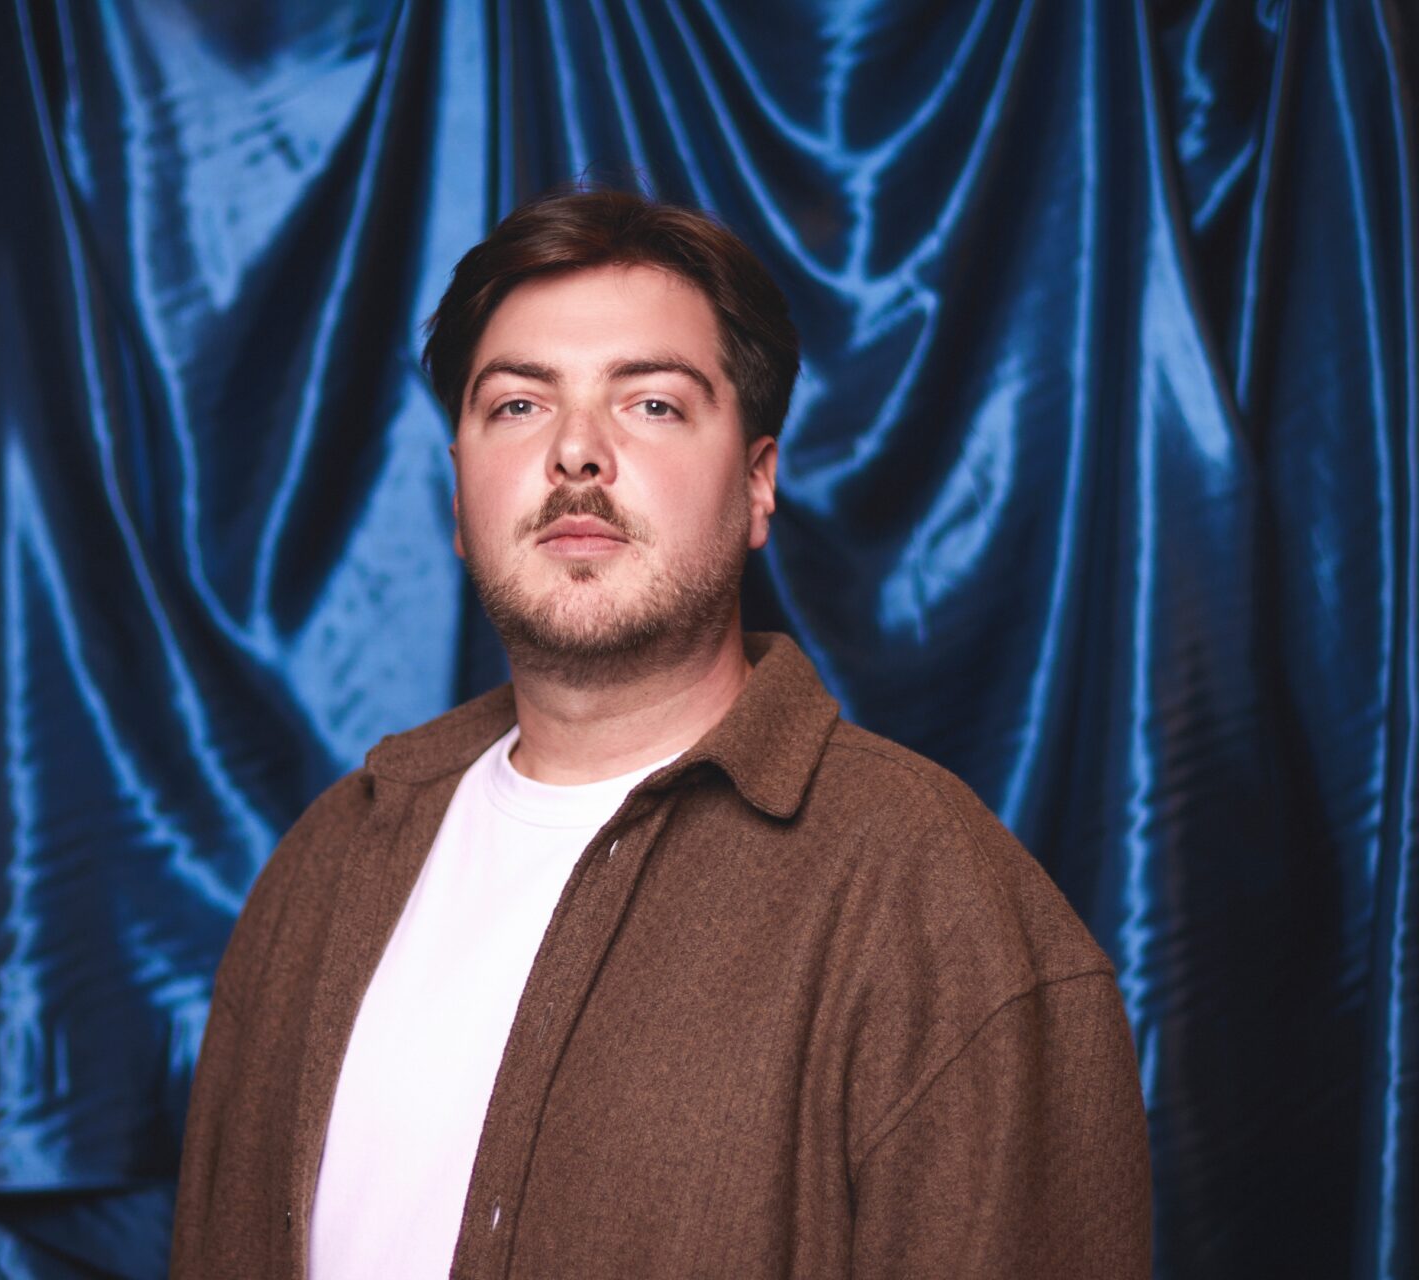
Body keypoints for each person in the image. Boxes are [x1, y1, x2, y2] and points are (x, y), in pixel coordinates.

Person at [170, 190, 1152, 1279]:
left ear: (758, 483)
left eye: (651, 404)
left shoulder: (935, 903)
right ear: (457, 494)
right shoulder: (327, 865)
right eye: (517, 405)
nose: (576, 452)